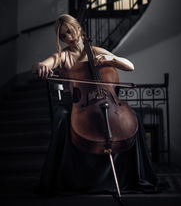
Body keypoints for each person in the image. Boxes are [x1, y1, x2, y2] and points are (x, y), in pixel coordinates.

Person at [32, 14, 160, 196]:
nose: (68, 37)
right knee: (61, 117)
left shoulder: (96, 51)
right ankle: (63, 176)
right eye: (63, 36)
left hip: (105, 100)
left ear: (79, 29)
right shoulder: (62, 56)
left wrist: (110, 60)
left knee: (134, 118)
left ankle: (133, 175)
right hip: (78, 104)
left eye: (69, 31)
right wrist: (40, 66)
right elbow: (40, 65)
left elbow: (129, 66)